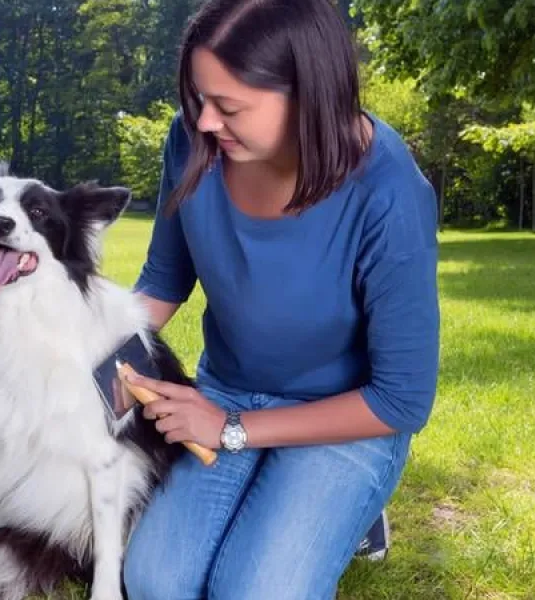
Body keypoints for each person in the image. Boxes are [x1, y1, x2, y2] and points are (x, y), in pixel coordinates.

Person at [118, 0, 440, 598]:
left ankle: (352, 509)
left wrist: (231, 429)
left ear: (308, 95)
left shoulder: (391, 194)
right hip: (227, 388)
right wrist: (101, 357)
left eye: (229, 106)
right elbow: (164, 278)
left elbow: (403, 400)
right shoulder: (193, 141)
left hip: (346, 418)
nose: (206, 122)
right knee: (156, 582)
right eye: (198, 99)